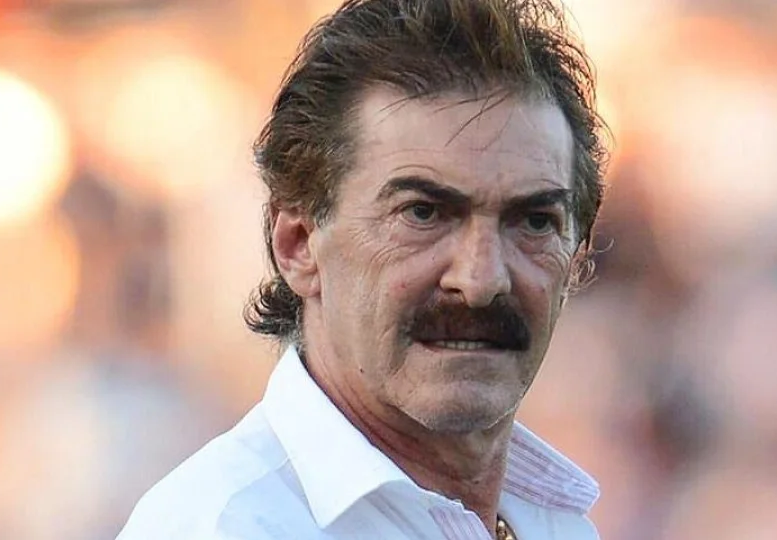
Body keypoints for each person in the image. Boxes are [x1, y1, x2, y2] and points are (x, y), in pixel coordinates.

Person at [116, 0, 609, 538]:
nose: (481, 281)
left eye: (534, 221)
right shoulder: (229, 527)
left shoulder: (555, 521)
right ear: (297, 245)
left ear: (577, 255)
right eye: (422, 214)